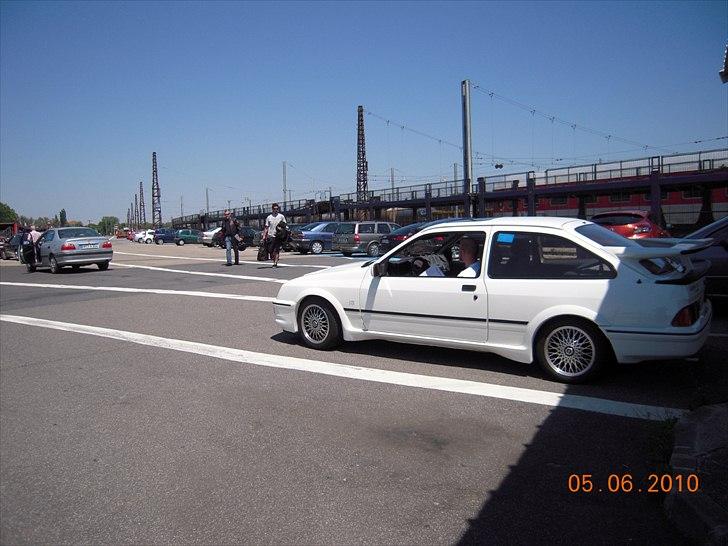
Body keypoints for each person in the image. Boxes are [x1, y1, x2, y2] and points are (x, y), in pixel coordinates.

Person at [263, 203, 286, 268]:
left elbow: (285, 225)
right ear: (272, 209)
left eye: (277, 209)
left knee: (276, 250)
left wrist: (282, 229)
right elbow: (266, 227)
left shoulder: (281, 216)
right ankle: (273, 259)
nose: (276, 210)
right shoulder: (269, 217)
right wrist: (264, 236)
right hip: (271, 235)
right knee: (271, 250)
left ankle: (275, 263)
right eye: (274, 209)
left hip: (278, 236)